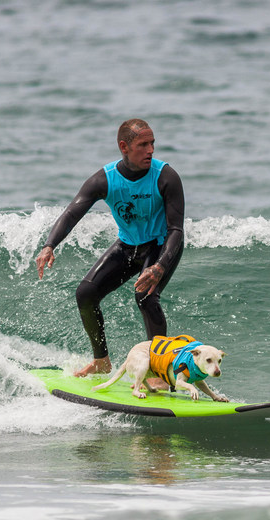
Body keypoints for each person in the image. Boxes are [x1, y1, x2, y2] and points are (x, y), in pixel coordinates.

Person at [35, 119, 185, 377]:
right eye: (143, 144)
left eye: (152, 144)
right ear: (124, 147)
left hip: (161, 246)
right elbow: (72, 213)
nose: (150, 150)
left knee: (146, 297)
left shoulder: (165, 177)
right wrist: (49, 245)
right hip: (127, 246)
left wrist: (160, 266)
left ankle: (161, 371)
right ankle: (101, 361)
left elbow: (176, 230)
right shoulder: (105, 180)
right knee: (85, 294)